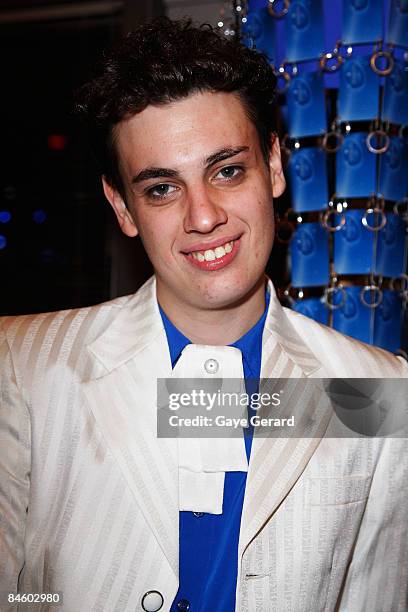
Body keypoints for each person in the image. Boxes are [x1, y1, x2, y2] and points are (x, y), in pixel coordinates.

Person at [1, 17, 407, 612]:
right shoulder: (21, 363)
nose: (204, 215)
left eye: (226, 171)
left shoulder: (375, 388)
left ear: (272, 165)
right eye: (162, 187)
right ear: (122, 206)